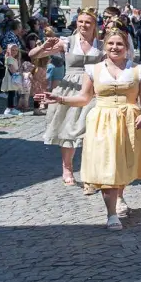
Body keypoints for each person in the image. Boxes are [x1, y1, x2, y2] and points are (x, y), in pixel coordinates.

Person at [38, 27, 141, 230]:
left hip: (129, 121)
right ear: (105, 46)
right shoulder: (93, 70)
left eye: (119, 44)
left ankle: (120, 197)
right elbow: (84, 98)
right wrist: (59, 98)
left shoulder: (138, 70)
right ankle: (111, 214)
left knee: (124, 165)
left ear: (126, 47)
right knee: (106, 166)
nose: (115, 47)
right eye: (111, 44)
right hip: (102, 121)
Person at [36, 11, 103, 186]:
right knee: (68, 128)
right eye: (80, 21)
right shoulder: (68, 42)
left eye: (87, 22)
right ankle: (67, 168)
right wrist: (44, 46)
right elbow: (34, 55)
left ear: (94, 24)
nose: (83, 25)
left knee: (92, 130)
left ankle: (92, 170)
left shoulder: (101, 45)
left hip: (94, 88)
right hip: (70, 87)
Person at [0, 43, 28, 116]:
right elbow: (12, 69)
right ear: (8, 50)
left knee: (12, 94)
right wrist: (19, 73)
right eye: (12, 50)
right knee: (11, 94)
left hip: (13, 78)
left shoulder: (13, 58)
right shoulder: (9, 58)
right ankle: (9, 108)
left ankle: (11, 108)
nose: (14, 52)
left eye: (16, 50)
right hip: (11, 79)